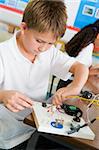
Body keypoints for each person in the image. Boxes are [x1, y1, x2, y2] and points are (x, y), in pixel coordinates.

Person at [0, 0, 89, 149]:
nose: (43, 48)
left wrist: (74, 87)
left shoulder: (49, 52)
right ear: (24, 27)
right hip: (7, 136)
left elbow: (80, 68)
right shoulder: (3, 53)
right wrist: (2, 96)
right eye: (39, 41)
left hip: (37, 127)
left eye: (50, 43)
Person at [56, 19, 99, 91]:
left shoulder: (85, 43)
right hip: (70, 85)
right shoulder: (88, 47)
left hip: (66, 81)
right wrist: (95, 71)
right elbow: (79, 69)